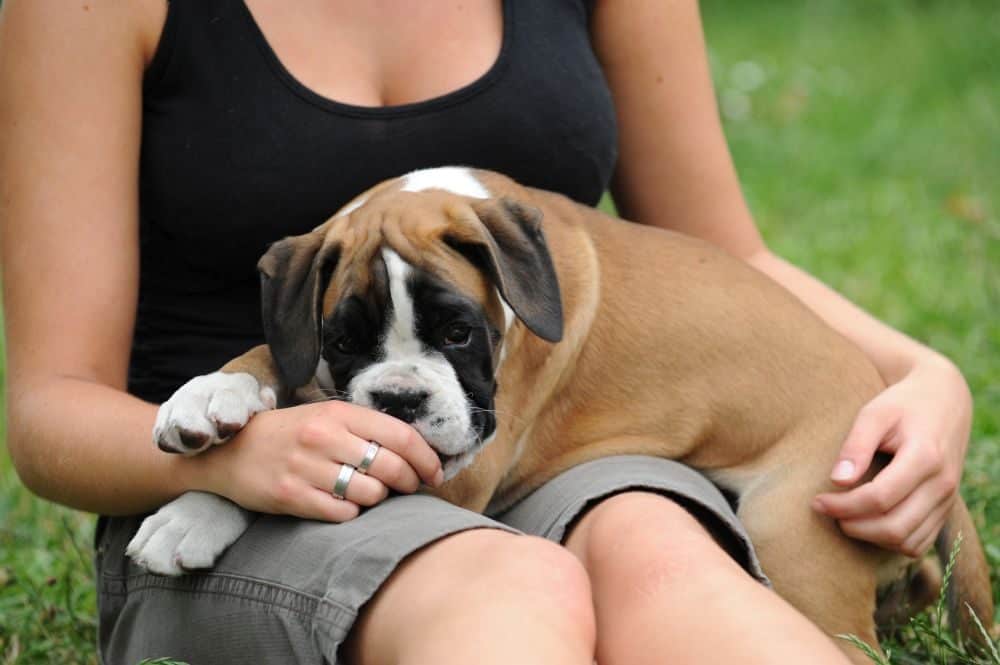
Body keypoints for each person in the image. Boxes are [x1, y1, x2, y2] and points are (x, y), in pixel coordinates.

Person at [0, 1, 973, 663]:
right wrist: (228, 463)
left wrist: (921, 371)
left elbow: (723, 255)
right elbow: (50, 405)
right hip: (216, 500)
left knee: (666, 559)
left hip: (568, 448)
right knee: (513, 588)